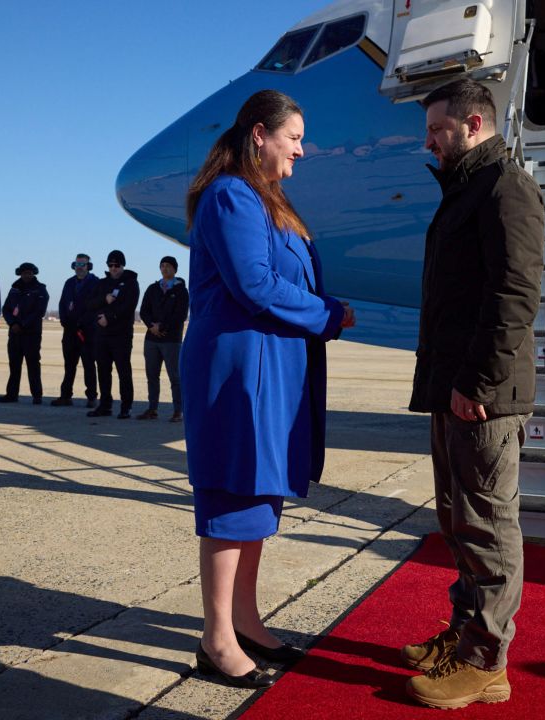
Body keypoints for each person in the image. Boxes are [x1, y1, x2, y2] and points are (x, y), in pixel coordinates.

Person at [183, 89, 354, 689]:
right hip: (239, 375)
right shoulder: (231, 196)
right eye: (294, 137)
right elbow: (255, 285)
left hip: (271, 371)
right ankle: (216, 638)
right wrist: (329, 313)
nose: (301, 150)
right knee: (233, 500)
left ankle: (246, 621)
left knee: (259, 500)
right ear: (260, 134)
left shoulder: (266, 201)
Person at [398, 79, 545, 710]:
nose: (428, 142)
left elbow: (515, 295)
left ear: (474, 123)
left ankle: (487, 662)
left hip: (480, 395)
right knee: (459, 521)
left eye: (437, 130)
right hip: (454, 388)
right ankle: (464, 636)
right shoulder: (466, 188)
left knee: (487, 525)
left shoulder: (504, 187)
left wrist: (476, 385)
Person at [84, 249, 139, 419]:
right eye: (111, 265)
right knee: (103, 370)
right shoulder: (102, 284)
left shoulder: (131, 283)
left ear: (123, 265)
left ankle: (126, 406)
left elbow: (128, 307)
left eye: (117, 265)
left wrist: (109, 317)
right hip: (102, 335)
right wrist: (103, 300)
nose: (114, 268)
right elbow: (90, 304)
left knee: (123, 371)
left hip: (121, 335)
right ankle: (105, 405)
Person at [137, 255, 188, 421]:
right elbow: (144, 310)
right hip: (152, 339)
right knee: (152, 375)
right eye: (162, 265)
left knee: (175, 377)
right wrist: (152, 326)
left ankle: (178, 411)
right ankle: (152, 409)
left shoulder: (181, 290)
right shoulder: (153, 288)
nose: (165, 268)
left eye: (168, 266)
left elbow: (180, 315)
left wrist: (163, 327)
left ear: (174, 269)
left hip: (171, 339)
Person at [51, 253, 100, 407]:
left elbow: (95, 307)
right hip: (70, 332)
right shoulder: (69, 283)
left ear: (89, 266)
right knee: (69, 365)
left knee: (89, 365)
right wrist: (66, 322)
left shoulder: (95, 283)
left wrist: (82, 323)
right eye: (76, 265)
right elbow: (62, 304)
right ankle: (65, 396)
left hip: (87, 333)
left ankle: (92, 397)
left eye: (82, 265)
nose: (79, 268)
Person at [0, 262, 49, 404]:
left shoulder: (40, 290)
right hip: (14, 334)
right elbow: (6, 309)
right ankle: (12, 394)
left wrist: (22, 324)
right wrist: (12, 323)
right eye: (24, 272)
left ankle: (37, 395)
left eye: (29, 273)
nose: (27, 275)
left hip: (31, 334)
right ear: (20, 273)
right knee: (14, 365)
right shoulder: (14, 289)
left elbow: (39, 311)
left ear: (34, 273)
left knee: (33, 365)